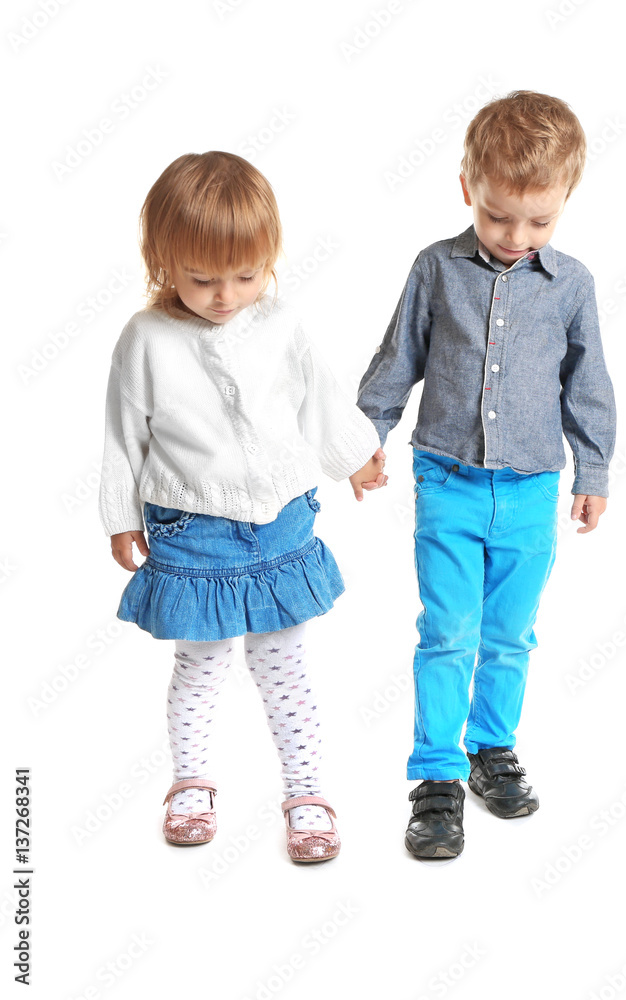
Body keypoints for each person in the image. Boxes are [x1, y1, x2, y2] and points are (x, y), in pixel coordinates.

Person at [98, 151, 386, 862]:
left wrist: (355, 454)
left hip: (279, 520)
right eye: (202, 279)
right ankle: (190, 783)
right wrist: (120, 515)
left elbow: (319, 398)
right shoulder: (145, 339)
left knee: (283, 665)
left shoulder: (281, 325)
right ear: (163, 262)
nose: (226, 295)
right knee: (201, 664)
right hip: (191, 528)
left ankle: (307, 793)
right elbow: (123, 433)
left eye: (247, 275)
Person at [356, 91, 616, 859]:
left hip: (532, 490)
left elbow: (587, 383)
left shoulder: (572, 285)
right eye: (498, 216)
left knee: (508, 634)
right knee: (446, 631)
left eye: (538, 221)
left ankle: (490, 748)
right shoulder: (435, 268)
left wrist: (593, 468)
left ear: (565, 202)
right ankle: (436, 775)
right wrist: (364, 439)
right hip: (447, 481)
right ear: (467, 187)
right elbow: (396, 359)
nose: (514, 237)